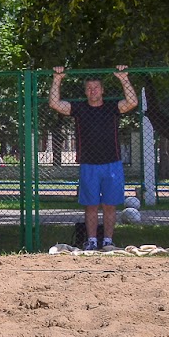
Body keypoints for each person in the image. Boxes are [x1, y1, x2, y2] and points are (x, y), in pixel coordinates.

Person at [48, 65, 137, 251]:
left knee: (110, 205)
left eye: (96, 87)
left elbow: (132, 102)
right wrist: (57, 79)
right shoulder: (79, 108)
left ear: (102, 90)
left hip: (112, 163)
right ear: (85, 92)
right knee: (90, 206)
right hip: (89, 165)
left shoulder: (112, 107)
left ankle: (107, 241)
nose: (92, 91)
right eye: (89, 88)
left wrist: (123, 78)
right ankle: (91, 241)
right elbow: (55, 104)